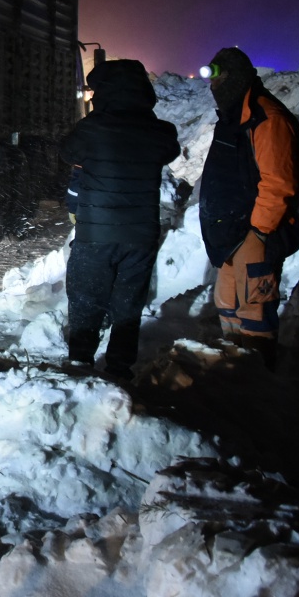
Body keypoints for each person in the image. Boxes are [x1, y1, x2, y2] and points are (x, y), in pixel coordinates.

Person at [198, 46, 299, 370]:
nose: (214, 88)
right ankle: (235, 367)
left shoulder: (267, 118)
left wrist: (259, 232)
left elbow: (278, 184)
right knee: (227, 301)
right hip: (234, 231)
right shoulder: (234, 116)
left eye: (219, 79)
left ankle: (259, 378)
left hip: (260, 229)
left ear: (236, 79)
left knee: (253, 307)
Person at [61, 59, 180, 379]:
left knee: (87, 298)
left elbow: (68, 153)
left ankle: (80, 362)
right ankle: (119, 368)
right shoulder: (159, 131)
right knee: (129, 304)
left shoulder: (90, 130)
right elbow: (169, 150)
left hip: (95, 235)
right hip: (140, 237)